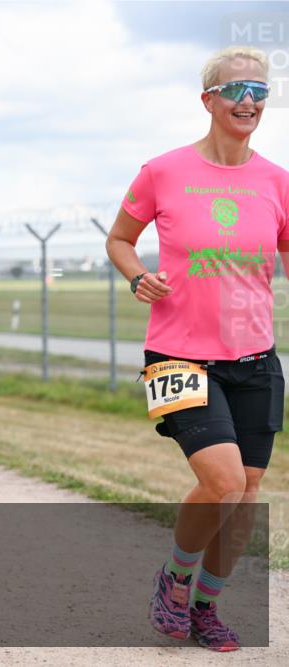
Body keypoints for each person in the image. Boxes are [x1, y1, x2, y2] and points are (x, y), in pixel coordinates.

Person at [106, 47, 287, 652]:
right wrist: (137, 276)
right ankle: (175, 582)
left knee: (247, 494)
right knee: (222, 480)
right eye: (237, 90)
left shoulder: (277, 182)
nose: (249, 102)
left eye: (260, 92)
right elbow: (120, 239)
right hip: (178, 357)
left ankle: (206, 607)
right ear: (208, 99)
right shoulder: (162, 171)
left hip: (256, 360)